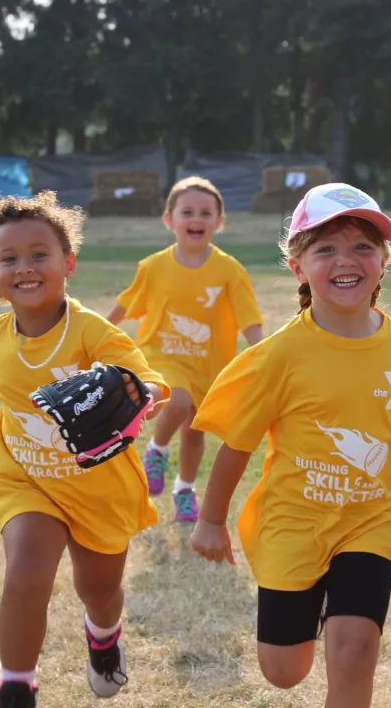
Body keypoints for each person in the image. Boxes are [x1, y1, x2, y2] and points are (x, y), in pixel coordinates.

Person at [188, 183, 391, 708]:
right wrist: (210, 520)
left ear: (384, 261)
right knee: (284, 671)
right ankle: (319, 604)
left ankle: (342, 606)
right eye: (325, 249)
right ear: (298, 266)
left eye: (362, 247)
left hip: (369, 521)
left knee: (355, 649)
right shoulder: (279, 356)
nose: (346, 261)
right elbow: (237, 445)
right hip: (292, 524)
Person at [0, 191, 170, 708]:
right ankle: (16, 688)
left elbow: (148, 380)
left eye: (39, 254)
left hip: (98, 482)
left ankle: (104, 635)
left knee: (98, 591)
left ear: (67, 263)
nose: (24, 267)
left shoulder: (91, 332)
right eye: (8, 258)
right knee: (26, 574)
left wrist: (143, 394)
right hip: (25, 475)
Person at [106, 176, 264, 523]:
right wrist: (95, 340)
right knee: (175, 402)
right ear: (170, 220)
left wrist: (263, 353)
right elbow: (124, 306)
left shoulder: (229, 270)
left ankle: (184, 491)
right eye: (187, 212)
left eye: (206, 213)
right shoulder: (153, 267)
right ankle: (156, 451)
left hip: (209, 366)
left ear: (219, 222)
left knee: (194, 435)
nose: (196, 219)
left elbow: (248, 318)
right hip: (162, 358)